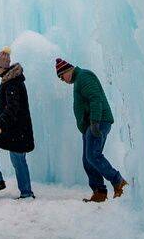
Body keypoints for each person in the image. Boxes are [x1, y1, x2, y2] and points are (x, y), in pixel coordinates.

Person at [55, 57, 128, 202]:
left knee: (93, 155)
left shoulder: (84, 76)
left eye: (61, 77)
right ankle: (99, 192)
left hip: (99, 121)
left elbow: (95, 98)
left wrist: (95, 122)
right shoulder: (78, 80)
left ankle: (118, 181)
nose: (62, 80)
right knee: (87, 159)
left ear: (67, 71)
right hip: (90, 124)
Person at [0, 47, 36, 199]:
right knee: (17, 158)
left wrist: (0, 125)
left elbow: (12, 108)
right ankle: (25, 192)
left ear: (2, 67)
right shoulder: (11, 82)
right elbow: (11, 101)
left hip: (16, 130)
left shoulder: (12, 83)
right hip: (18, 130)